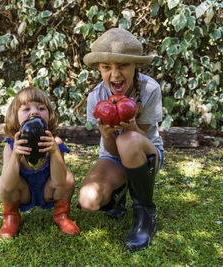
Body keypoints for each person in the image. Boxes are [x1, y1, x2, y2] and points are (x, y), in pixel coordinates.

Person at [75, 28, 164, 251]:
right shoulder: (96, 97)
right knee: (88, 200)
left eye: (122, 65)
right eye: (107, 67)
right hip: (114, 155)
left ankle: (145, 213)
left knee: (128, 140)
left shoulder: (150, 89)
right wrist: (106, 134)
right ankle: (119, 193)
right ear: (99, 69)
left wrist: (132, 128)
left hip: (146, 153)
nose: (114, 75)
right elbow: (112, 152)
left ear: (135, 66)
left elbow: (138, 139)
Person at [0, 86, 80, 238]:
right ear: (15, 118)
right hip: (23, 193)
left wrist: (55, 151)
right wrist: (16, 155)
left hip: (48, 191)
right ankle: (11, 216)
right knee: (2, 183)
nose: (34, 112)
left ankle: (61, 215)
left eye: (41, 108)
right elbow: (8, 185)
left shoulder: (55, 142)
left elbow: (61, 181)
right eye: (26, 109)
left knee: (68, 177)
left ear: (49, 115)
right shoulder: (10, 147)